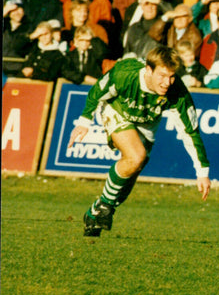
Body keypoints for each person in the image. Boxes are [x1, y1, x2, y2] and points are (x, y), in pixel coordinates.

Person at [68, 46, 211, 236]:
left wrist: (202, 172)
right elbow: (98, 90)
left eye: (171, 76)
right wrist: (85, 121)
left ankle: (95, 212)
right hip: (117, 110)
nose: (167, 82)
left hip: (147, 125)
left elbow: (190, 132)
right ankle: (104, 206)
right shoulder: (126, 73)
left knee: (127, 181)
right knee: (136, 156)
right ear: (148, 70)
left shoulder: (178, 92)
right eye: (161, 76)